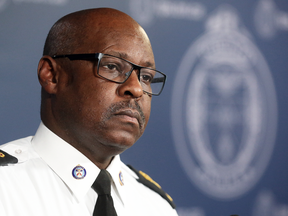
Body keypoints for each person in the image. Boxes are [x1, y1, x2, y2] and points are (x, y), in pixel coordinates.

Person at [0, 7, 178, 216]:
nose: (136, 89)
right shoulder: (6, 187)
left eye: (146, 77)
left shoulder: (157, 207)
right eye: (112, 66)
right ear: (51, 75)